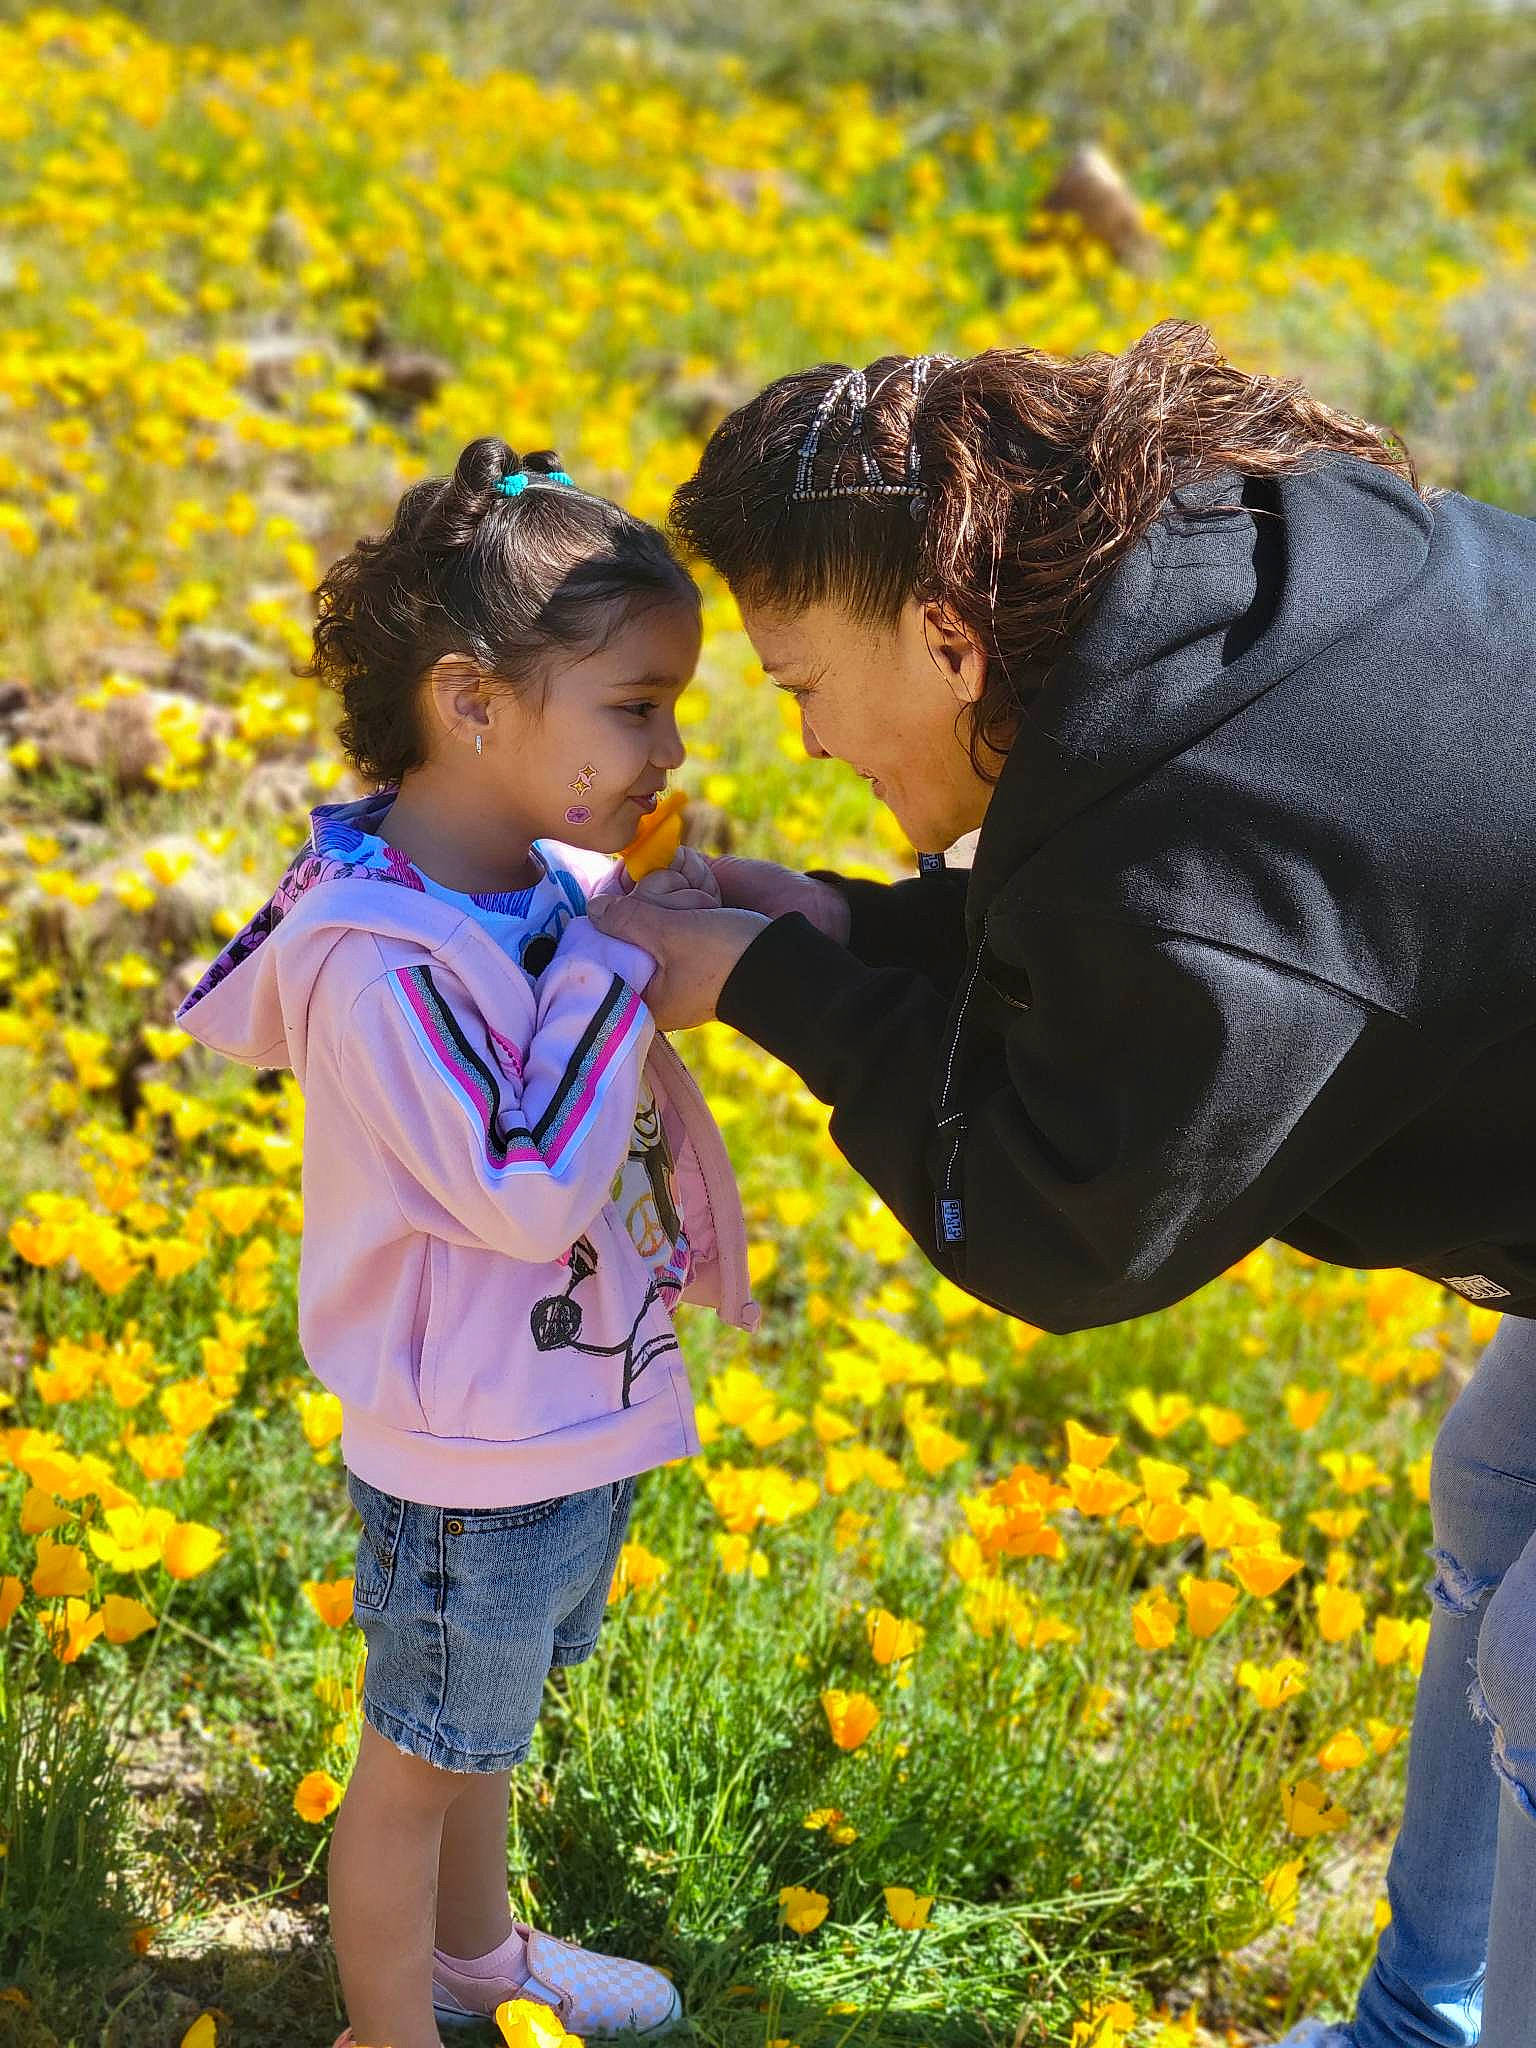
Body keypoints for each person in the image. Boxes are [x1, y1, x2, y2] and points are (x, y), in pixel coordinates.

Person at [586, 326, 1536, 2047]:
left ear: (945, 638)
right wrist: (845, 925)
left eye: (799, 684)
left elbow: (1070, 1210)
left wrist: (762, 989)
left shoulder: (1209, 859)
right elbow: (1146, 893)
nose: (800, 740)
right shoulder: (1216, 602)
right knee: (1503, 1483)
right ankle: (1424, 2016)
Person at [174, 439, 758, 2048]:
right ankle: (390, 2025)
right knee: (417, 1756)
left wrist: (629, 923)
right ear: (473, 704)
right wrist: (619, 960)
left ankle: (476, 1962)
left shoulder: (535, 892)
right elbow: (516, 1186)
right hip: (465, 1449)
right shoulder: (380, 966)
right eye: (634, 705)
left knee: (479, 1735)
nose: (670, 741)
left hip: (551, 1416)